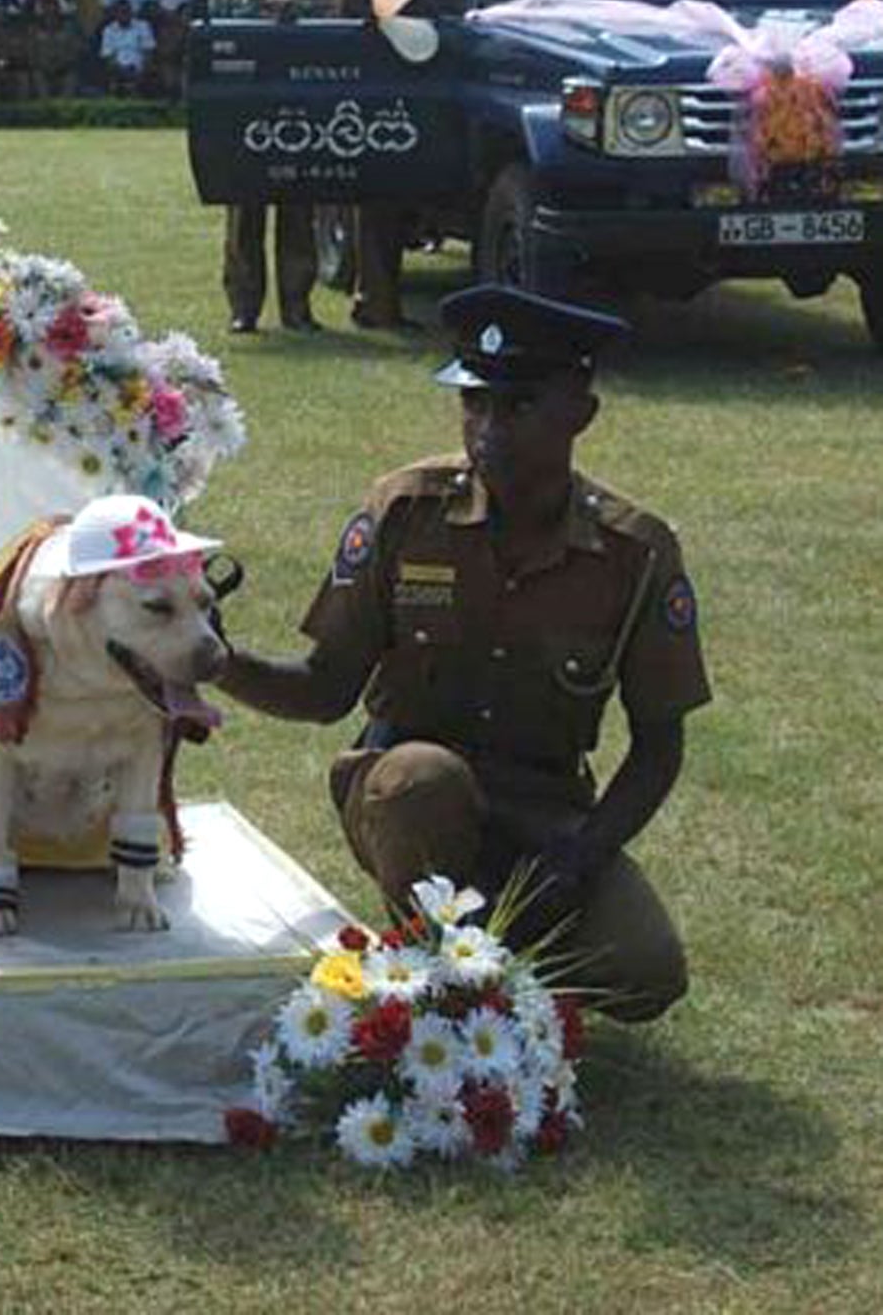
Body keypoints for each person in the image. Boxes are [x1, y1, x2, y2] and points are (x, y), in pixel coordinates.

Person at [216, 285, 706, 1022]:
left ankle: (498, 960)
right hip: (405, 791)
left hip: (544, 817)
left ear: (581, 414)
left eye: (518, 407)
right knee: (422, 781)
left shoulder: (634, 553)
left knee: (644, 971)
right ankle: (435, 976)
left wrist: (581, 857)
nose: (488, 430)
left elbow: (660, 743)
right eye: (473, 404)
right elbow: (323, 690)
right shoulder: (408, 512)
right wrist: (214, 661)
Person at [336, 0, 466, 329]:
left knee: (398, 209)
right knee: (376, 209)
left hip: (422, 101)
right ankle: (374, 300)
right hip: (372, 101)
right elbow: (345, 37)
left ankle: (379, 297)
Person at [209, 0, 327, 334]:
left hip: (298, 115)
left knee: (298, 214)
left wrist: (301, 15)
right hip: (245, 119)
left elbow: (335, 30)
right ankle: (244, 307)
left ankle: (297, 306)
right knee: (244, 218)